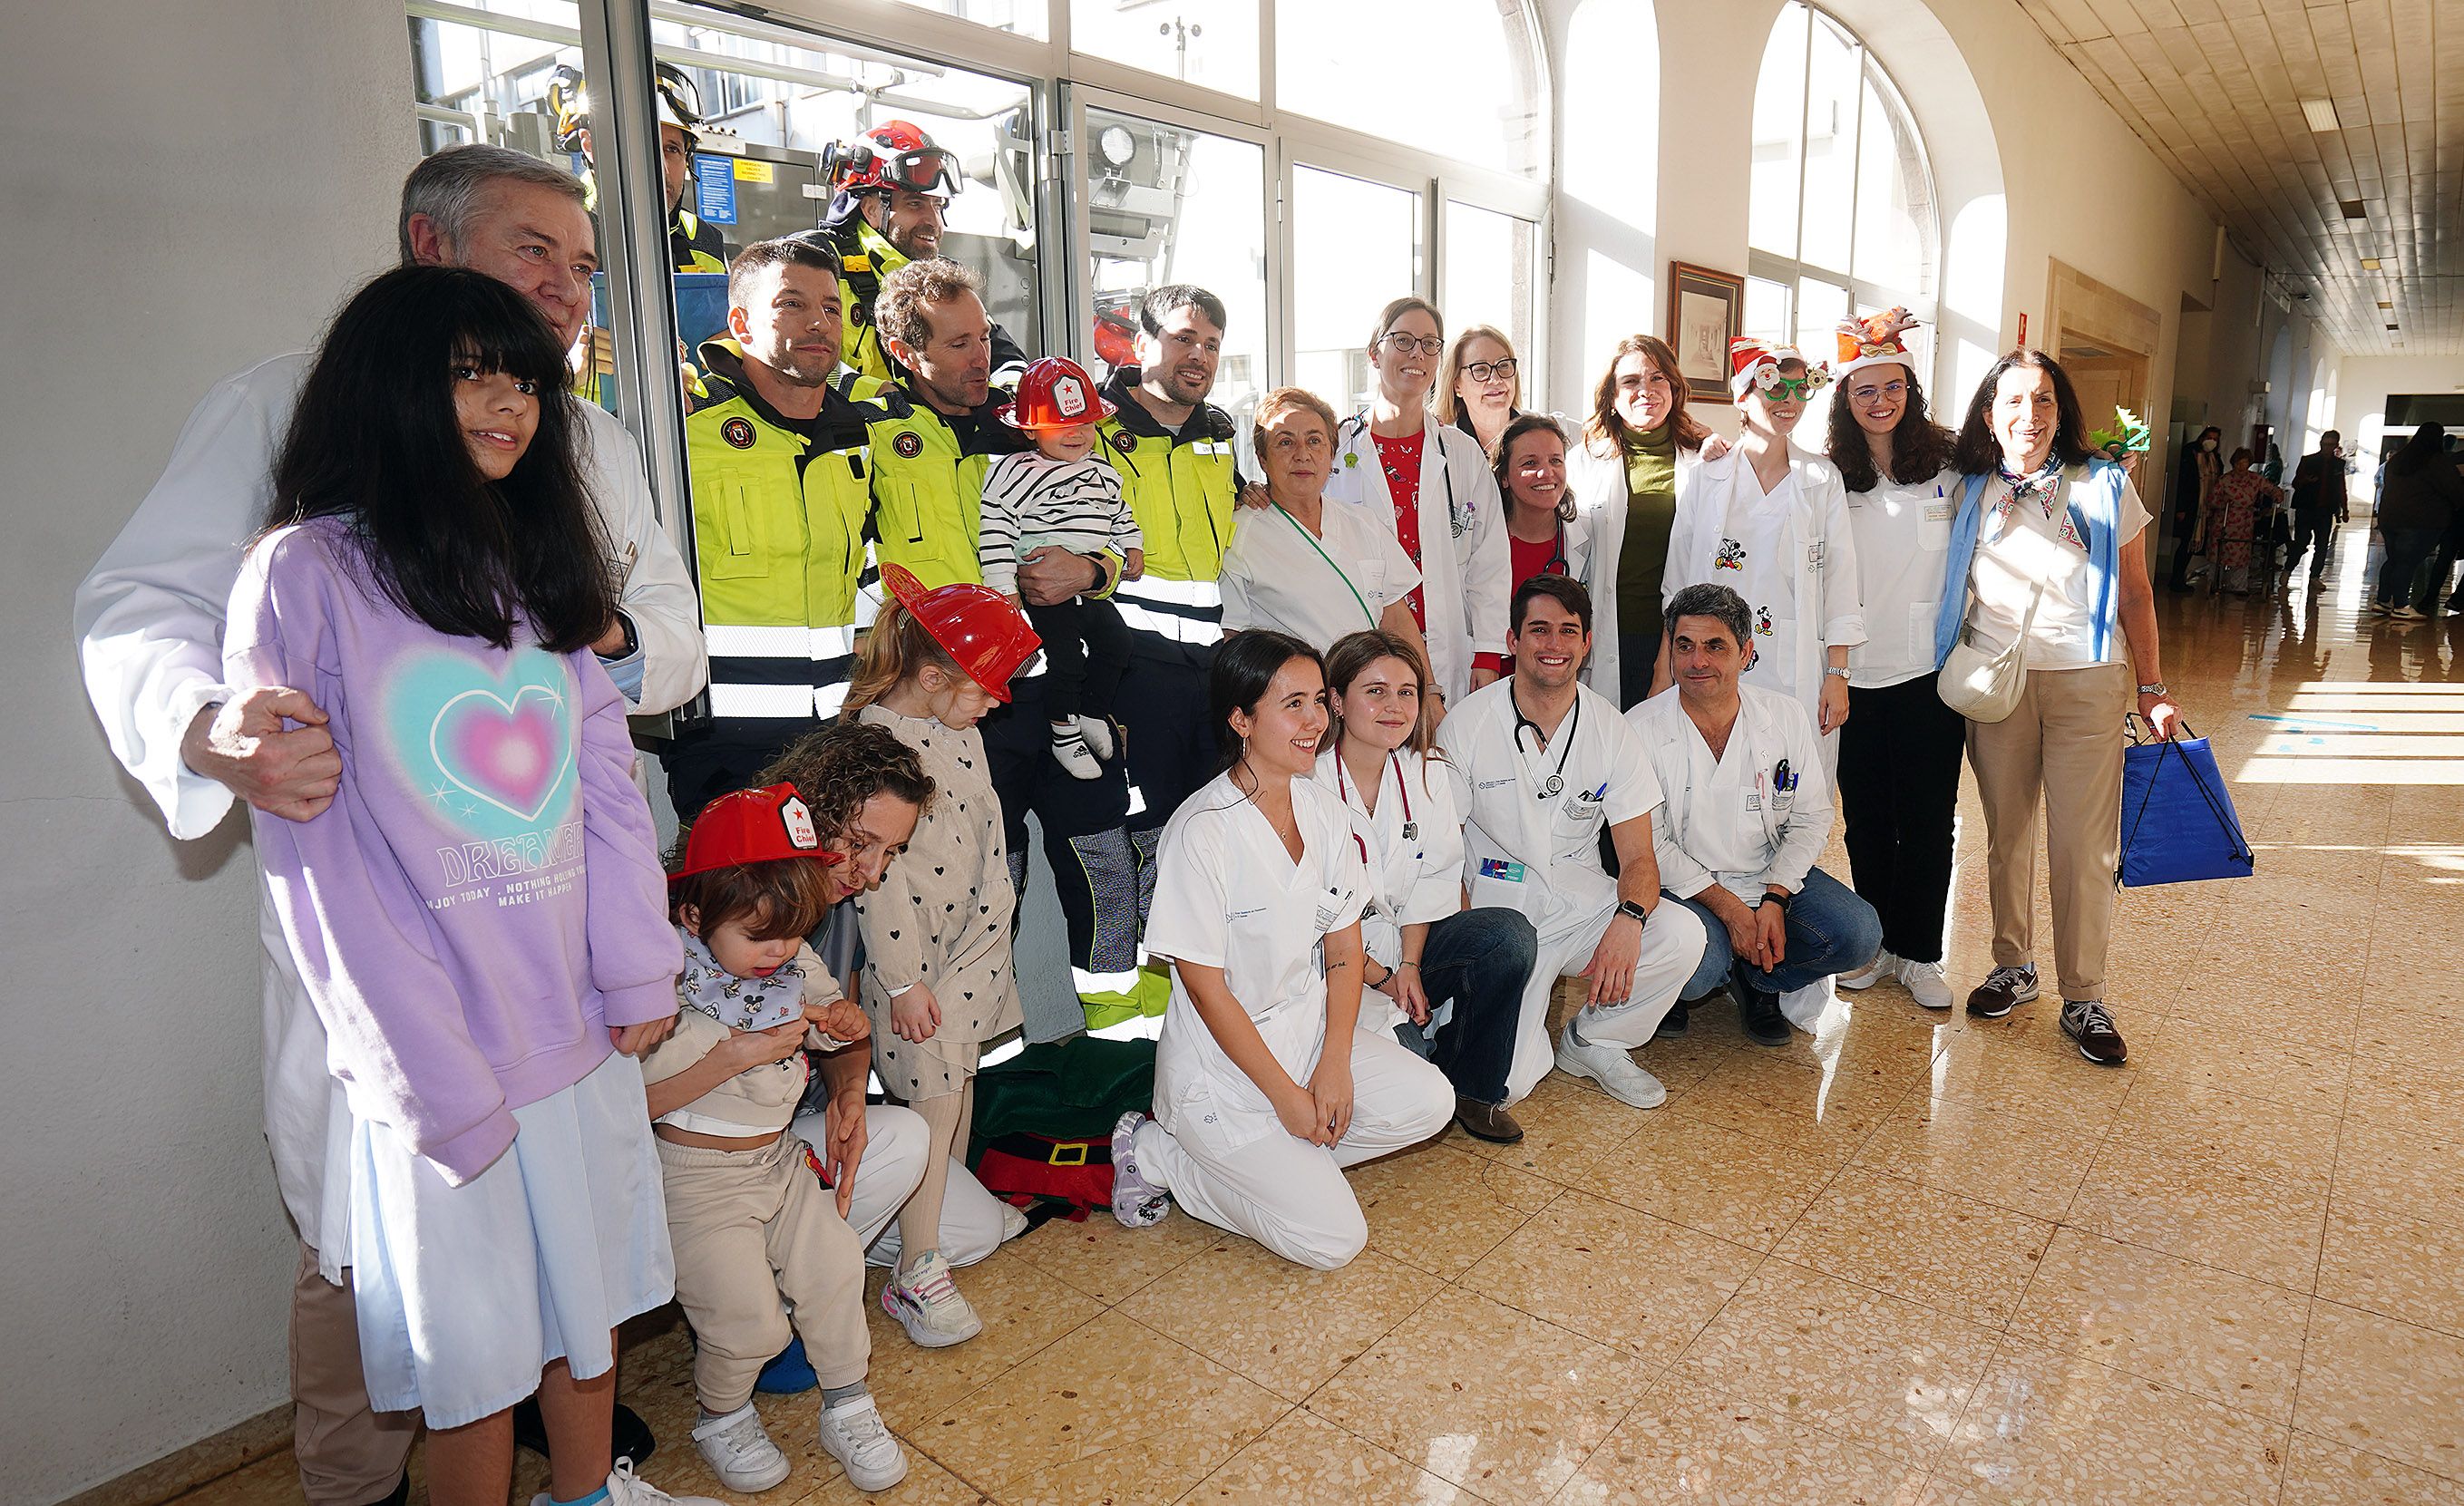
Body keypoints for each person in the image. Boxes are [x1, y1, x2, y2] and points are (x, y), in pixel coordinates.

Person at [73, 143, 704, 1506]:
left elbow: (666, 645)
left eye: (585, 268)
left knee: (557, 1260)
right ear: (428, 252)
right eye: (534, 251)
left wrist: (572, 627)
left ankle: (570, 1467)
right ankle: (357, 1488)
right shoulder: (287, 423)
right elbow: (144, 609)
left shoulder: (581, 440)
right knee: (378, 1271)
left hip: (557, 918)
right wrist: (206, 724)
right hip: (392, 930)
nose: (567, 288)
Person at [226, 264, 702, 1506]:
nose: (510, 404)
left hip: (583, 1034)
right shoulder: (304, 573)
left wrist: (637, 964)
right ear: (386, 389)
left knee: (584, 1318)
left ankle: (591, 1494)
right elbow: (317, 866)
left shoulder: (525, 560)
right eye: (470, 373)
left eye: (527, 381)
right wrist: (425, 1072)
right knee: (476, 1367)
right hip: (452, 1063)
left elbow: (602, 778)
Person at [1105, 632, 1456, 1269]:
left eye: (1318, 700)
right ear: (1241, 719)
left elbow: (1344, 946)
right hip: (1224, 1074)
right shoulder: (1200, 831)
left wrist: (1335, 1062)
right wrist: (1287, 1098)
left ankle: (1283, 1163)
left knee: (1431, 1102)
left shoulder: (1324, 814)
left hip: (1304, 1034)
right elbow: (1207, 991)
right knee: (1331, 1241)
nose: (1314, 720)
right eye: (1291, 703)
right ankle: (1161, 1154)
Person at [864, 257, 1143, 1027]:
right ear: (901, 346)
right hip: (946, 711)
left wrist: (1092, 569)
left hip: (1055, 687)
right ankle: (974, 1075)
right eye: (957, 344)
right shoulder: (868, 429)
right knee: (981, 883)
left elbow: (1111, 517)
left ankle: (1121, 1046)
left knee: (1105, 865)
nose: (980, 357)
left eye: (982, 337)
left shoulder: (1029, 416)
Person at [644, 784, 912, 1493]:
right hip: (693, 1179)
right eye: (759, 936)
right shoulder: (658, 985)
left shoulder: (786, 965)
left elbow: (827, 1016)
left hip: (779, 1161)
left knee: (834, 1272)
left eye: (793, 933)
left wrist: (844, 1027)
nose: (779, 953)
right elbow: (627, 1105)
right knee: (747, 1323)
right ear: (693, 915)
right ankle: (721, 1415)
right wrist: (728, 1057)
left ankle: (849, 1401)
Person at [1938, 348, 2183, 1066]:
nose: (2029, 415)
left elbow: (2136, 591)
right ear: (1990, 414)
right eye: (2013, 401)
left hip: (2086, 682)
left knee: (2082, 846)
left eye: (2043, 401)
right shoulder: (1970, 488)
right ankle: (2012, 964)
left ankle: (2083, 994)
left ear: (2060, 411)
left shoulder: (2104, 484)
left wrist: (2152, 686)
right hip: (1995, 684)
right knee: (2006, 835)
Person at [840, 566, 1039, 1348]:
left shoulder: (961, 733)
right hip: (918, 971)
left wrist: (990, 935)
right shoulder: (875, 746)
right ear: (929, 677)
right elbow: (875, 882)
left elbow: (989, 838)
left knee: (955, 1093)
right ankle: (915, 1268)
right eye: (985, 687)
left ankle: (948, 1221)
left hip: (974, 954)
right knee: (931, 1101)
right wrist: (904, 980)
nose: (996, 702)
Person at [1433, 576, 1709, 1107]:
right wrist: (1467, 947)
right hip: (1499, 911)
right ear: (1513, 642)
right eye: (1539, 630)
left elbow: (1639, 857)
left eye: (1568, 632)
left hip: (1581, 902)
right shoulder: (1467, 726)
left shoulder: (1610, 728)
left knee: (1679, 934)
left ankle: (1595, 1040)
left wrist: (1628, 922)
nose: (1554, 645)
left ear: (1585, 645)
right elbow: (1443, 854)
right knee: (1504, 1086)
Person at [664, 235, 905, 817]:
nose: (819, 323)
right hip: (721, 743)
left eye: (830, 307)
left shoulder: (859, 438)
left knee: (825, 907)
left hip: (831, 737)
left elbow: (866, 575)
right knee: (736, 907)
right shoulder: (686, 437)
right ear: (741, 323)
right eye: (792, 304)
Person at [1630, 585, 1883, 1046]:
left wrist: (1776, 898)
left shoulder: (1784, 717)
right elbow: (1650, 843)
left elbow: (1809, 817)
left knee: (1859, 934)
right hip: (1685, 889)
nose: (1697, 661)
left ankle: (1759, 982)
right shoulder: (1640, 728)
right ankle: (1693, 982)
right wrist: (1728, 910)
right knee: (1697, 972)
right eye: (1684, 646)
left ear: (1746, 652)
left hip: (1763, 874)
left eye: (1715, 647)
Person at [1315, 630, 1540, 1143]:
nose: (1394, 706)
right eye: (1375, 691)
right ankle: (1416, 1049)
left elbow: (1434, 878)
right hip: (1329, 967)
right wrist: (1383, 977)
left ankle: (1475, 1090)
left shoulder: (1427, 773)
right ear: (1337, 701)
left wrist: (1411, 967)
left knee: (1507, 935)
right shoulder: (1307, 783)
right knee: (1411, 1069)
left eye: (1407, 692)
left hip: (1400, 952)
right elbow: (1316, 918)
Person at [1089, 284, 1244, 1025]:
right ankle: (1144, 1024)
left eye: (1211, 344)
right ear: (1140, 341)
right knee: (1138, 845)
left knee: (1199, 841)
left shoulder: (1218, 432)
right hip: (1129, 670)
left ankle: (1197, 1011)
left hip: (1205, 675)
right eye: (1184, 338)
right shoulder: (1095, 423)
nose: (1199, 356)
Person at [1824, 312, 1962, 1012]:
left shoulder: (1948, 464)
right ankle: (1876, 943)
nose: (1879, 400)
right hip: (1853, 675)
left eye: (1892, 386)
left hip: (1930, 673)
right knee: (1868, 819)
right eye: (1863, 390)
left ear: (1910, 389)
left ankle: (1921, 952)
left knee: (1930, 819)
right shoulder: (1827, 475)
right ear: (1844, 401)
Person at [1658, 336, 1865, 779]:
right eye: (1775, 389)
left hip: (1794, 664)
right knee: (1711, 780)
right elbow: (1676, 585)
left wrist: (1838, 674)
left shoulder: (1821, 479)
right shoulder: (1706, 477)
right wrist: (1664, 667)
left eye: (1799, 390)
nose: (1789, 402)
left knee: (1788, 788)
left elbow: (1841, 584)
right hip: (1712, 658)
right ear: (1744, 397)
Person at [1326, 297, 1511, 708]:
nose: (1417, 354)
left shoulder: (1460, 452)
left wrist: (1487, 651)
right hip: (1360, 641)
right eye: (1403, 340)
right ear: (1375, 353)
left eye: (1430, 344)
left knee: (1443, 764)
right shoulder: (1335, 450)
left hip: (1447, 649)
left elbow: (1490, 561)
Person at [979, 356, 1145, 777]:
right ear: (1030, 429)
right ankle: (1064, 735)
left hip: (1087, 584)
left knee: (1119, 645)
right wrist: (1003, 587)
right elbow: (995, 526)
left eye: (1086, 424)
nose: (1076, 434)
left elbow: (1120, 513)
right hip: (1043, 586)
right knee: (1065, 661)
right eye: (1061, 425)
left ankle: (1091, 713)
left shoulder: (1104, 471)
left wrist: (1132, 546)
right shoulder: (1016, 472)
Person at [1222, 386, 1431, 666]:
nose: (1302, 455)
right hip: (1293, 700)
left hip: (1366, 694)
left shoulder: (1363, 522)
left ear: (1331, 454)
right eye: (1285, 442)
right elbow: (1231, 638)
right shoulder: (1239, 533)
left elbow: (1395, 618)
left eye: (1315, 441)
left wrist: (1428, 691)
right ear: (1262, 458)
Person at [1566, 334, 1722, 707]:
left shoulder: (1706, 460)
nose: (1646, 391)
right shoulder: (1584, 460)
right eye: (1631, 381)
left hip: (1678, 634)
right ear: (1613, 396)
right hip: (1608, 632)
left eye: (1657, 378)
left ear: (1673, 386)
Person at [812, 121, 1026, 385]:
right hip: (840, 425)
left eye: (938, 206)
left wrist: (1015, 386)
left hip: (929, 426)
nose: (933, 221)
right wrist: (869, 394)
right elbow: (785, 354)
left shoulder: (940, 276)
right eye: (915, 204)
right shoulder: (814, 261)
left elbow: (995, 347)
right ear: (870, 209)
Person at [547, 62, 727, 273]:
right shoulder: (555, 231)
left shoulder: (705, 241)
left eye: (672, 149)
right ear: (590, 147)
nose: (663, 170)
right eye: (641, 147)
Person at [2369, 423, 2462, 620]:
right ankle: (2401, 605)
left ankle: (2383, 601)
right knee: (2407, 562)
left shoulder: (2399, 459)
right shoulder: (2436, 461)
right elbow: (2454, 490)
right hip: (2421, 520)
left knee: (2393, 560)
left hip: (2390, 518)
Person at [2201, 447, 2283, 596]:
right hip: (2224, 519)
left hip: (2244, 522)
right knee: (2219, 551)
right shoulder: (2225, 480)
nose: (2241, 467)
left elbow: (2271, 488)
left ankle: (2238, 586)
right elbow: (2212, 499)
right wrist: (2222, 502)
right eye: (2239, 463)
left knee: (2241, 554)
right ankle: (2214, 581)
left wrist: (2277, 494)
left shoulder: (2255, 479)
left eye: (2245, 463)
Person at [1436, 325, 1524, 455]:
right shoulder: (1440, 446)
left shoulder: (1542, 436)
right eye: (1480, 369)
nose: (1495, 379)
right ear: (1457, 385)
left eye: (1504, 365)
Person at [2284, 431, 2350, 588]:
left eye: (2331, 445)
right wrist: (2306, 480)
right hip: (2306, 507)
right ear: (2321, 443)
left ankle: (2314, 576)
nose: (2327, 448)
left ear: (2336, 446)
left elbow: (2341, 487)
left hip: (2325, 510)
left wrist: (2344, 509)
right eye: (2325, 444)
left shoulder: (2338, 464)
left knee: (2322, 545)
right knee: (2301, 542)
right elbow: (2296, 483)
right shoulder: (2308, 460)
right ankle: (2288, 569)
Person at [2166, 424, 2224, 591]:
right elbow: (2183, 481)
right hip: (2191, 506)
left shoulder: (2215, 459)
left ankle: (2180, 577)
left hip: (2206, 509)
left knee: (2193, 545)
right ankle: (2176, 579)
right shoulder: (2190, 453)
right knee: (2186, 542)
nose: (2211, 442)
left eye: (2215, 439)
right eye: (2209, 437)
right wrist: (2181, 508)